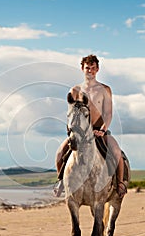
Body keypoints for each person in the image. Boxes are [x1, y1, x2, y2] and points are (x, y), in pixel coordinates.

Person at [54, 54, 127, 198]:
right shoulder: (74, 91)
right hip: (80, 133)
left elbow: (108, 113)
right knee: (59, 153)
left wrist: (103, 130)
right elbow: (70, 113)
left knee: (117, 153)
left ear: (97, 69)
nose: (90, 71)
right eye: (88, 68)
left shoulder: (105, 89)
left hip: (99, 132)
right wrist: (72, 131)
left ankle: (119, 183)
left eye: (93, 68)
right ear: (82, 69)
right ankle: (62, 181)